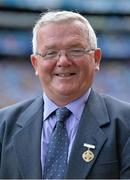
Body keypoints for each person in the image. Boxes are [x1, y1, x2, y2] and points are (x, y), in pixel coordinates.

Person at [0, 10, 130, 179]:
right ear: (35, 64)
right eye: (50, 52)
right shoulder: (3, 126)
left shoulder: (126, 123)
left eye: (76, 50)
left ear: (96, 58)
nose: (63, 61)